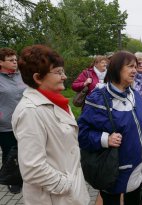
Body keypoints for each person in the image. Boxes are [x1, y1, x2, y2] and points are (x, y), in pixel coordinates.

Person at [11, 45, 90, 204]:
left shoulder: (57, 101)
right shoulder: (30, 112)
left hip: (69, 193)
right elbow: (32, 168)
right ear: (38, 77)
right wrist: (66, 185)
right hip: (54, 198)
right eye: (58, 72)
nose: (64, 76)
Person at [78, 51, 142, 205]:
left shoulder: (135, 95)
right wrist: (105, 139)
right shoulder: (98, 99)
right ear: (117, 68)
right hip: (112, 171)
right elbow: (82, 133)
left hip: (138, 168)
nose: (135, 70)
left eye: (136, 67)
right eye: (130, 66)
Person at [0, 48, 27, 194]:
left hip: (25, 121)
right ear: (1, 62)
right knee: (9, 152)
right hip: (5, 124)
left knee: (25, 150)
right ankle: (11, 178)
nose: (15, 62)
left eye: (15, 60)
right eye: (10, 60)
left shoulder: (21, 76)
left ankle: (25, 175)